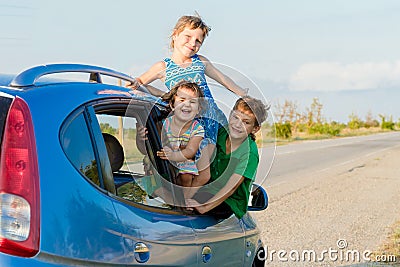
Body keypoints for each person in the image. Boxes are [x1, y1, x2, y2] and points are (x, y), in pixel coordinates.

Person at [127, 14, 249, 166]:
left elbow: (223, 79)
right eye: (188, 36)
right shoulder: (163, 67)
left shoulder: (200, 61)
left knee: (221, 160)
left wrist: (242, 93)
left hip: (214, 118)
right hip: (190, 124)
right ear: (175, 35)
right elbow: (140, 83)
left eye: (198, 41)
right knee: (198, 163)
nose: (193, 43)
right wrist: (139, 86)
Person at [185, 96, 269, 220]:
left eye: (246, 122)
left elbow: (232, 187)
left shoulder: (249, 153)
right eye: (235, 117)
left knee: (186, 206)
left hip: (228, 201)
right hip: (206, 189)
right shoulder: (219, 132)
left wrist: (204, 207)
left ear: (255, 129)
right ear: (230, 114)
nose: (237, 124)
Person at [156, 81, 211, 190]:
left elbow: (190, 151)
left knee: (187, 172)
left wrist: (173, 156)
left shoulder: (197, 129)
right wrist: (141, 136)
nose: (187, 104)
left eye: (192, 102)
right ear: (172, 105)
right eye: (182, 100)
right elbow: (146, 146)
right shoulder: (163, 124)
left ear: (198, 109)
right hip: (163, 161)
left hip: (182, 158)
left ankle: (184, 199)